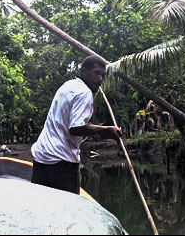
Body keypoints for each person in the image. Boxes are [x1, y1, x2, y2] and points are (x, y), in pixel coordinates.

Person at [31, 55, 121, 194]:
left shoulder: (68, 85)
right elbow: (76, 128)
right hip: (62, 160)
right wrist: (107, 130)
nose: (100, 80)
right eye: (96, 73)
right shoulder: (84, 93)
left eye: (103, 75)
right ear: (83, 71)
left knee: (42, 207)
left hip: (42, 156)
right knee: (69, 211)